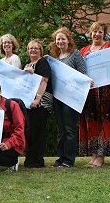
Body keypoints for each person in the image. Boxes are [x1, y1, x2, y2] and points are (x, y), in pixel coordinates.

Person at [79, 22, 110, 168]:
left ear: (104, 33)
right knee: (91, 122)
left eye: (100, 32)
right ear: (90, 33)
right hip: (90, 92)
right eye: (94, 31)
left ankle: (101, 156)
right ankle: (93, 155)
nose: (97, 34)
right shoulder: (84, 50)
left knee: (104, 122)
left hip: (105, 91)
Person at [48, 27, 86, 168]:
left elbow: (83, 73)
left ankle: (69, 160)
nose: (60, 41)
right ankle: (61, 158)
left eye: (63, 38)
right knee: (61, 130)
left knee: (70, 129)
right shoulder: (55, 59)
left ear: (68, 40)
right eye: (58, 39)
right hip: (58, 97)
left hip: (71, 98)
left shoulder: (75, 54)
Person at [23, 40, 53, 168]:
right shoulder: (27, 64)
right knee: (30, 131)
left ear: (41, 50)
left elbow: (44, 81)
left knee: (39, 131)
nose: (33, 50)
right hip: (29, 101)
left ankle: (38, 161)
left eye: (36, 48)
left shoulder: (43, 62)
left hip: (41, 101)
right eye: (31, 48)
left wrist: (38, 99)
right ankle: (30, 159)